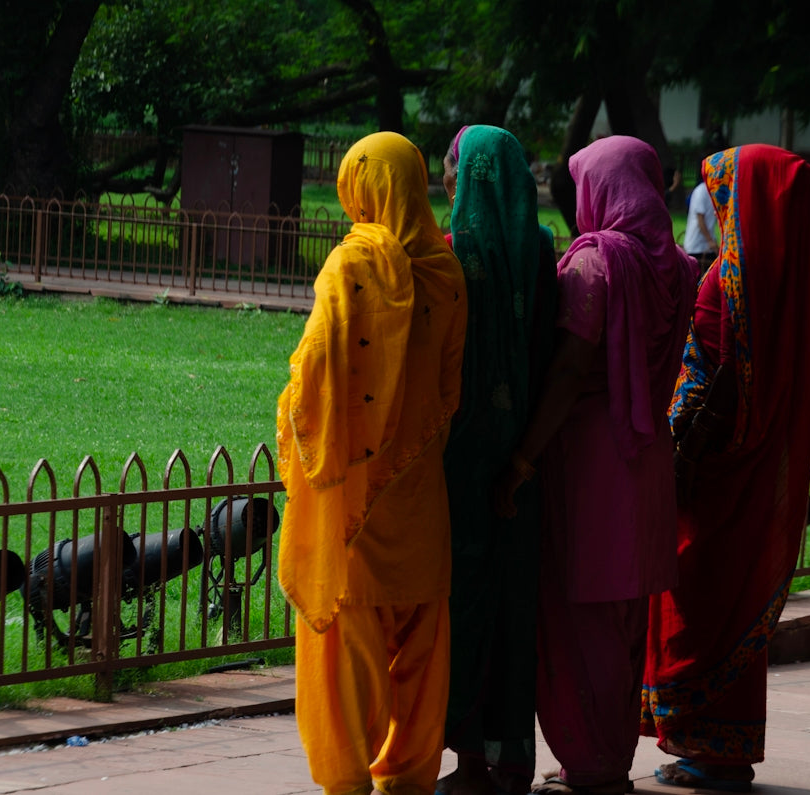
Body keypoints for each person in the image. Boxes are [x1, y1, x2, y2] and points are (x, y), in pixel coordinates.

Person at [493, 135, 697, 795]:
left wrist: (523, 455)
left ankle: (591, 760)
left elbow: (573, 366)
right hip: (646, 461)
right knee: (624, 618)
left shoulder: (594, 265)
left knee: (579, 616)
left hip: (589, 458)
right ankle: (607, 756)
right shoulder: (678, 268)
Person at [276, 131, 467, 795]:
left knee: (343, 660)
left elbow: (317, 371)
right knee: (419, 660)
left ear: (360, 185)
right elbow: (449, 392)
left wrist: (294, 406)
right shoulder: (445, 274)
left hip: (357, 503)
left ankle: (346, 781)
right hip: (421, 502)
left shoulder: (352, 265)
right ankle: (408, 780)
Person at [641, 144, 810, 793]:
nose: (717, 206)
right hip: (760, 469)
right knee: (738, 601)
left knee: (697, 596)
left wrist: (663, 438)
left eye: (723, 193)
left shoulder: (726, 278)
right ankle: (730, 743)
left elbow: (702, 378)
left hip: (711, 473)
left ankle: (703, 746)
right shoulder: (790, 280)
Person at [436, 125, 558, 795]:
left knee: (463, 607)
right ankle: (512, 760)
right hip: (527, 460)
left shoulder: (451, 254)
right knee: (516, 605)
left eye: (451, 174)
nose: (448, 185)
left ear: (466, 177)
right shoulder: (542, 253)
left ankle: (469, 762)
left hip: (460, 463)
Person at [682, 179, 717, 272]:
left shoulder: (714, 191)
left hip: (707, 247)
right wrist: (710, 241)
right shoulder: (701, 191)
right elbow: (700, 219)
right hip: (696, 246)